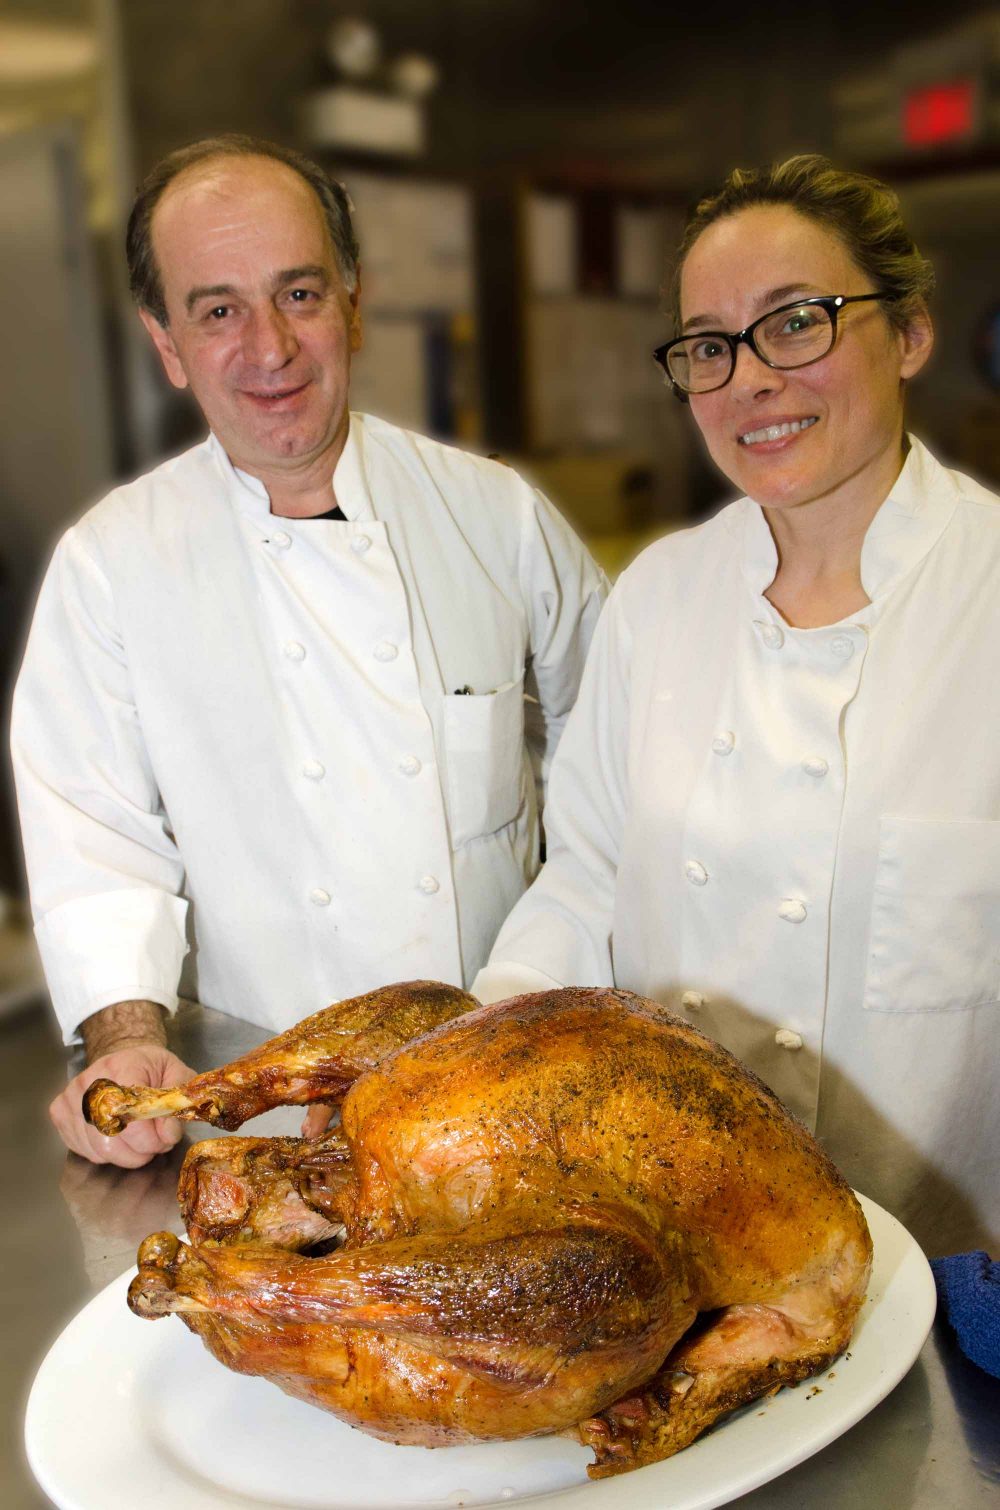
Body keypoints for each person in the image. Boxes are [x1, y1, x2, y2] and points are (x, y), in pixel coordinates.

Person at [11, 134, 607, 1169]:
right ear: (167, 347)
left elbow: (614, 763)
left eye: (299, 294)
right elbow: (94, 840)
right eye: (218, 309)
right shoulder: (111, 564)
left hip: (502, 1098)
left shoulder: (495, 516)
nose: (270, 347)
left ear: (353, 304)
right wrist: (124, 1035)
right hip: (264, 1123)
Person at [473, 155, 1000, 1256]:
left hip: (954, 1267)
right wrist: (495, 1025)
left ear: (907, 335)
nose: (749, 378)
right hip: (685, 1236)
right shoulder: (660, 596)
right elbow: (590, 871)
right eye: (709, 345)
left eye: (795, 322)